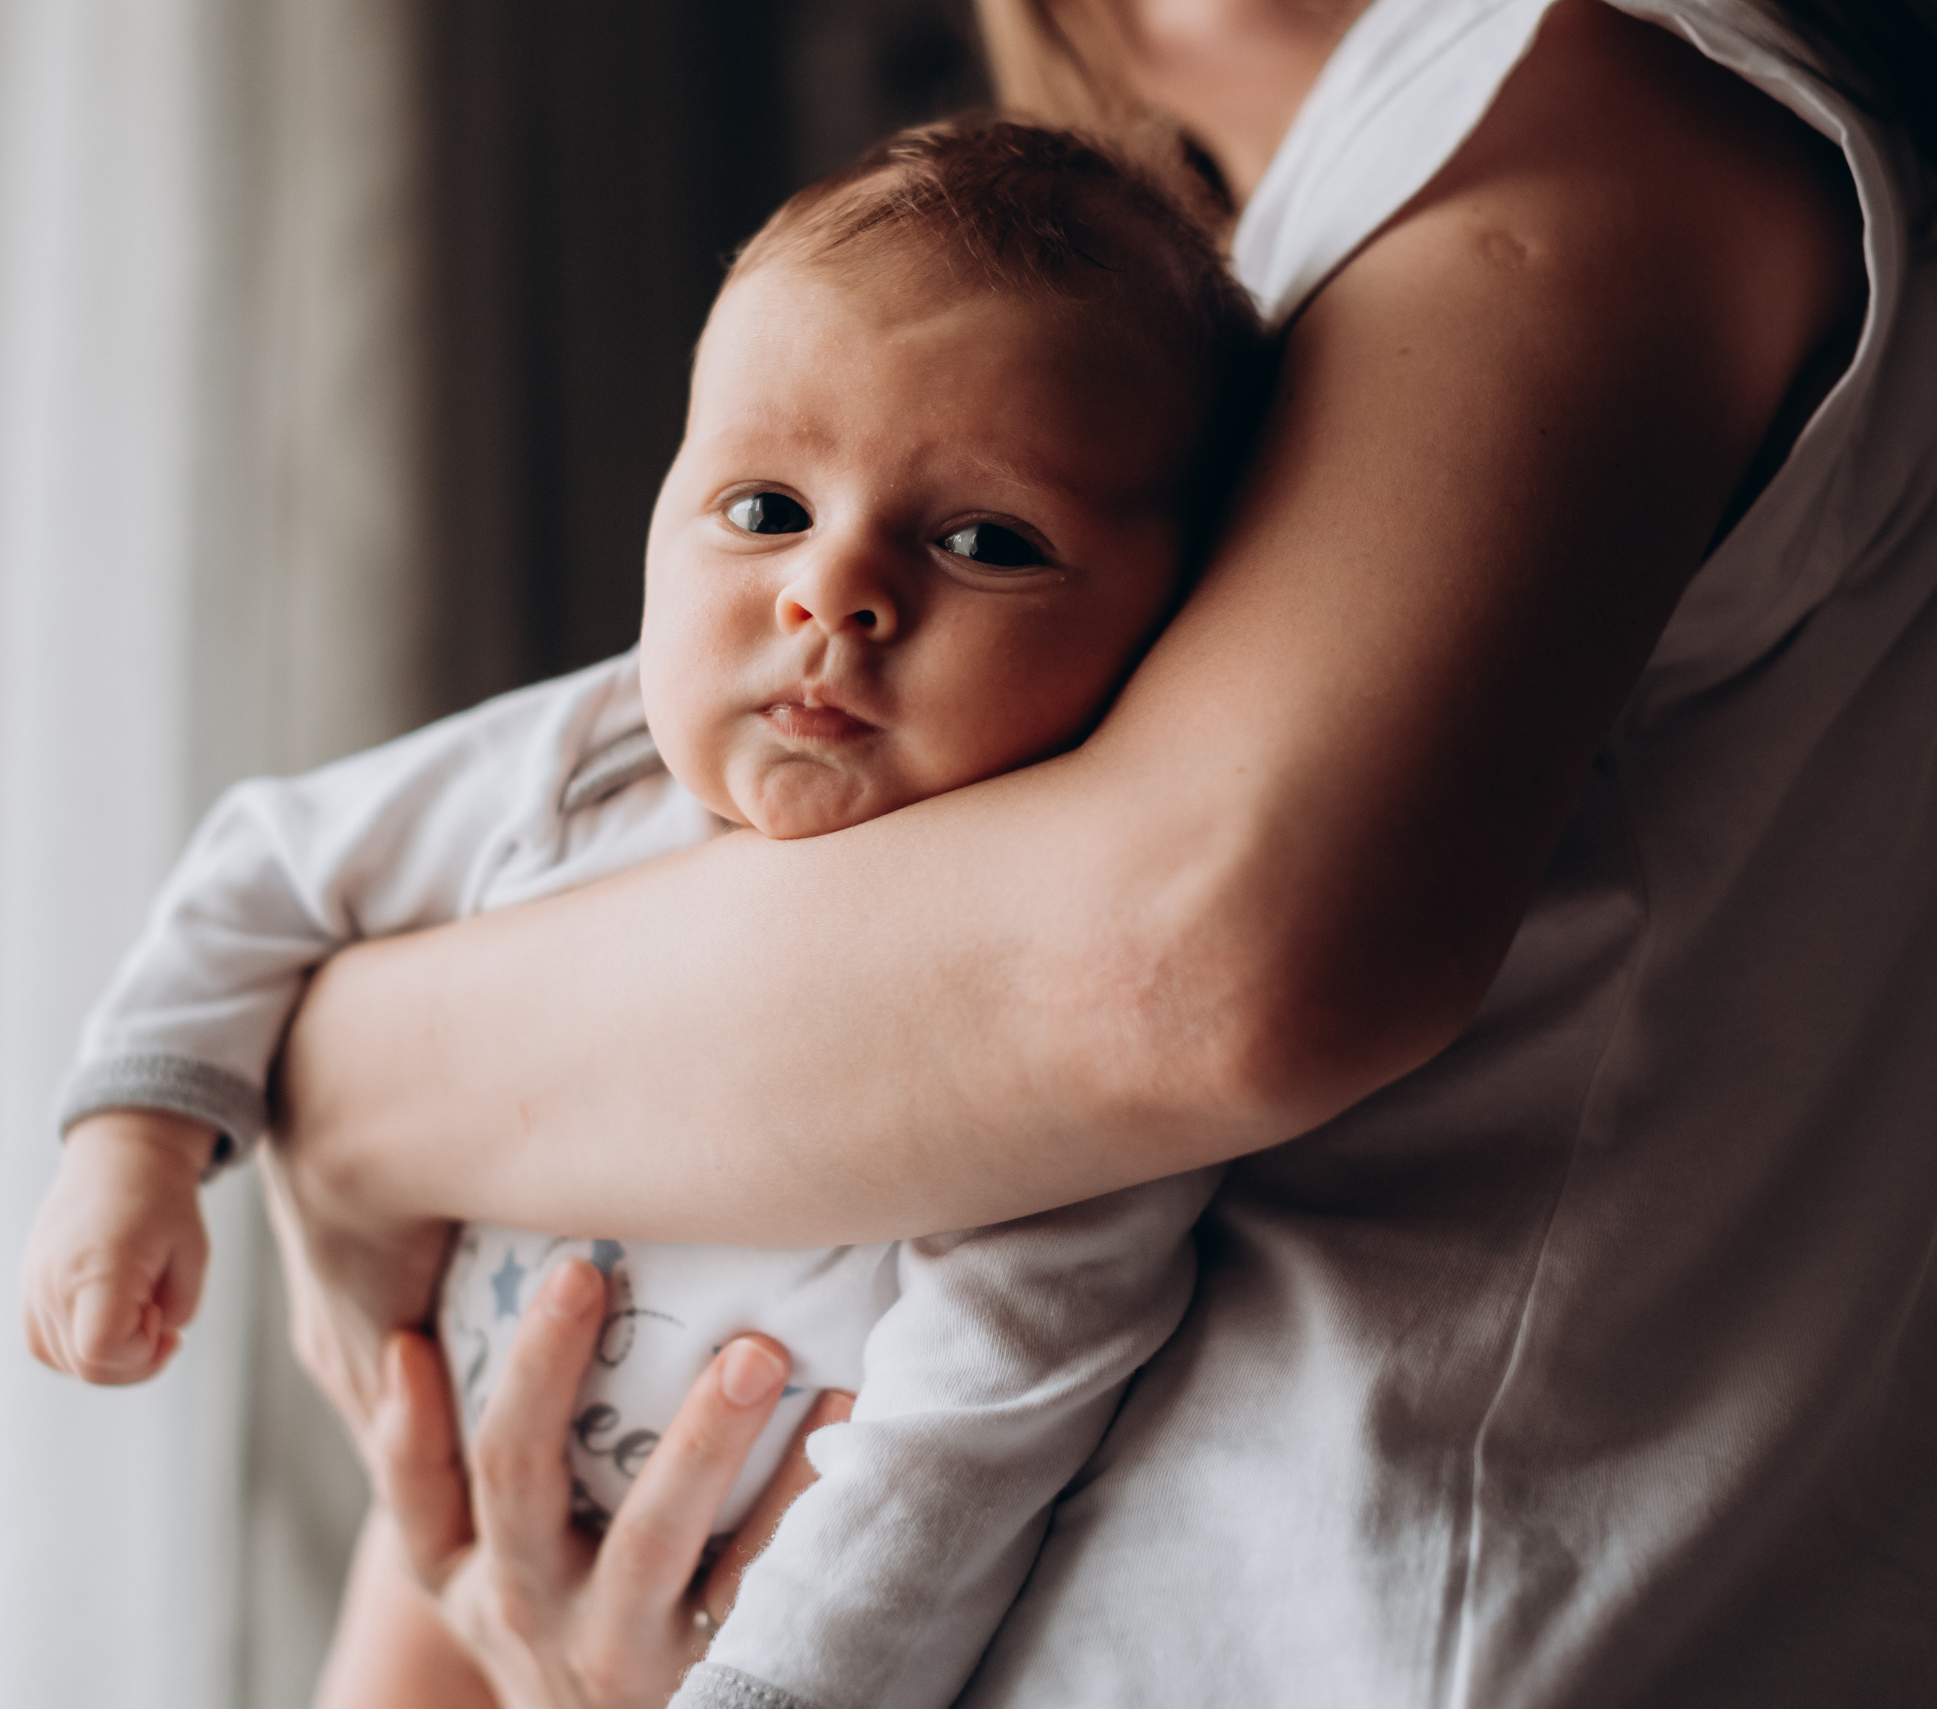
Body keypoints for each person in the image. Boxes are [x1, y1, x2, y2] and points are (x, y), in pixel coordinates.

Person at [222, 0, 1936, 1703]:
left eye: (983, 541)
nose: (835, 589)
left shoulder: (1596, 109)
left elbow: (1200, 965)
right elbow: (685, 972)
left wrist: (335, 1080)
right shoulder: (1077, 336)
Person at [27, 121, 1270, 1708]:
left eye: (984, 542)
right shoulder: (584, 753)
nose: (833, 591)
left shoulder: (1045, 977)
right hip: (456, 1531)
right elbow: (266, 864)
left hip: (744, 1622)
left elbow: (970, 1436)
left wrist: (765, 1681)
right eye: (763, 509)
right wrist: (132, 1143)